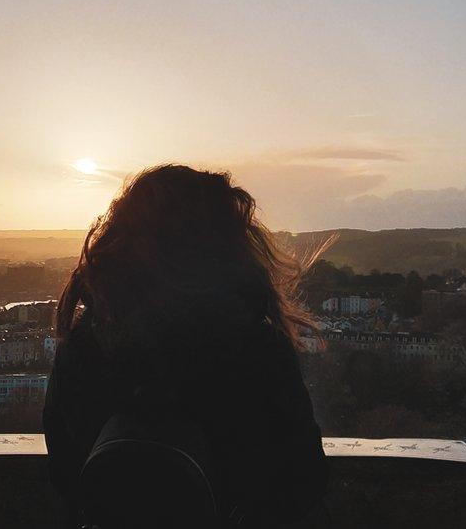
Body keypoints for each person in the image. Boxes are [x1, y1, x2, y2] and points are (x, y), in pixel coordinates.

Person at [43, 164, 329, 527]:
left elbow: (65, 470)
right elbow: (304, 476)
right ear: (225, 245)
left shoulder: (88, 341)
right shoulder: (253, 344)